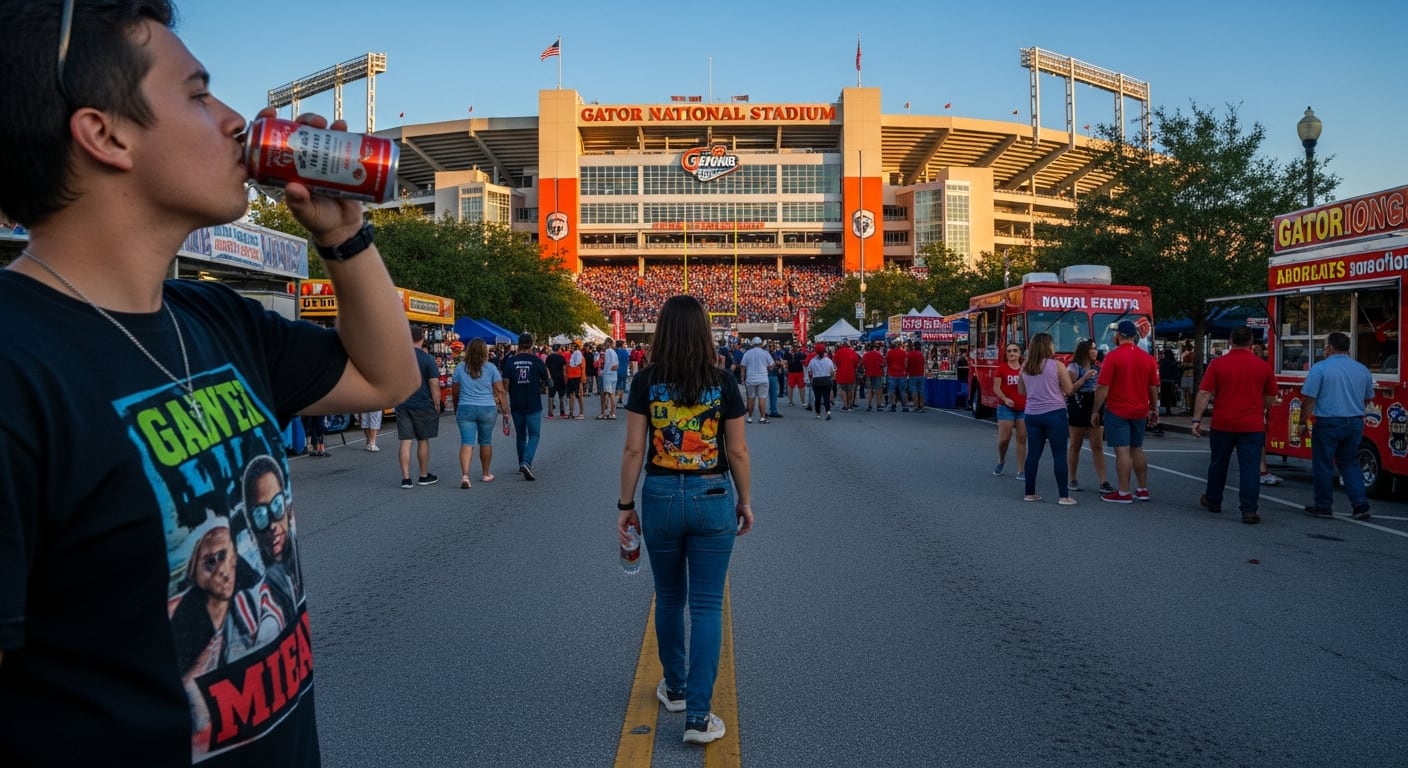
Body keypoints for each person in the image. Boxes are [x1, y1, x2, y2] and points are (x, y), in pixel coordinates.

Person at [0, 2, 420, 762]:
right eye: (198, 95)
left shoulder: (214, 315)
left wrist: (342, 233)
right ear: (106, 135)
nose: (237, 121)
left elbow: (387, 376)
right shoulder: (16, 364)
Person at [617, 295, 753, 746]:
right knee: (708, 606)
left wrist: (624, 506)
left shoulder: (646, 380)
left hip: (659, 495)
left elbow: (634, 449)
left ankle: (674, 688)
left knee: (669, 598)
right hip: (712, 493)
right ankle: (699, 715)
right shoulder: (723, 381)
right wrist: (745, 500)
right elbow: (737, 450)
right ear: (703, 331)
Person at [1190, 326, 1277, 524]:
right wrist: (1259, 407)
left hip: (1223, 422)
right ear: (1252, 344)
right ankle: (1249, 509)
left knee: (1218, 463)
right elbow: (1270, 397)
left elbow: (1205, 393)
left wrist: (1197, 419)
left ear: (1230, 341)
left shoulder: (1218, 364)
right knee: (1250, 468)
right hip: (1252, 424)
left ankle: (1214, 499)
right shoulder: (1263, 366)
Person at [1297, 331, 1374, 520]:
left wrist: (1302, 423)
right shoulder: (1362, 369)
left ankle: (1323, 506)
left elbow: (1309, 400)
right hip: (1355, 421)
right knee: (1348, 463)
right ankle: (1360, 505)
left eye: (1325, 346)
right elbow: (1368, 398)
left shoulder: (1320, 368)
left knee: (1323, 464)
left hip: (1328, 422)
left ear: (1329, 347)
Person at [1092, 320, 1160, 503]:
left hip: (1118, 409)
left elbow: (1102, 388)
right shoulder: (1148, 359)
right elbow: (1153, 387)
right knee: (1137, 448)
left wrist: (1095, 410)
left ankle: (1124, 492)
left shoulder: (1112, 357)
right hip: (1140, 409)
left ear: (1118, 335)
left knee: (1122, 451)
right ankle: (1142, 489)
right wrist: (1154, 408)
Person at [1017, 333, 1076, 504]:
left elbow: (1022, 391)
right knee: (1059, 454)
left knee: (1033, 454)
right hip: (1055, 412)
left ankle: (1030, 492)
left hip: (1032, 413)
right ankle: (1063, 495)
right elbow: (1069, 389)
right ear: (1049, 346)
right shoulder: (1057, 365)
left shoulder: (1025, 366)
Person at [452, 338, 508, 487]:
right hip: (487, 408)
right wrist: (505, 410)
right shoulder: (491, 368)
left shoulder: (460, 368)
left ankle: (465, 476)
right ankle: (485, 473)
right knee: (485, 442)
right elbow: (500, 391)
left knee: (467, 442)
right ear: (485, 351)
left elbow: (455, 392)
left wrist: (457, 408)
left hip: (466, 407)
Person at [396, 325, 443, 488]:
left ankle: (406, 478)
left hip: (403, 404)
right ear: (422, 338)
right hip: (422, 404)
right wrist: (437, 402)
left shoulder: (399, 358)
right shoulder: (427, 358)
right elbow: (434, 383)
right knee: (423, 440)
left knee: (405, 440)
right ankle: (423, 476)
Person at [501, 333, 550, 480]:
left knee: (521, 435)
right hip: (533, 402)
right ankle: (526, 462)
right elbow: (548, 379)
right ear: (531, 344)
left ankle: (521, 463)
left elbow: (505, 383)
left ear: (519, 344)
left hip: (516, 402)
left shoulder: (510, 361)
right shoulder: (536, 361)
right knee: (534, 435)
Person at [1066, 340, 1112, 494]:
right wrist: (1084, 378)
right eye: (1091, 348)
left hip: (1095, 405)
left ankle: (1103, 481)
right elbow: (1069, 390)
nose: (1094, 351)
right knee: (1075, 444)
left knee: (1097, 445)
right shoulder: (1073, 367)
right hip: (1078, 405)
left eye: (1095, 348)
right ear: (1083, 350)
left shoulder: (1098, 367)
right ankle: (1072, 478)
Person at [991, 343, 1028, 479]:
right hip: (1006, 408)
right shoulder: (1002, 369)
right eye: (1009, 351)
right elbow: (996, 388)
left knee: (1022, 438)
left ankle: (1021, 470)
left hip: (1023, 408)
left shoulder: (1026, 369)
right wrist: (1005, 399)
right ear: (1006, 354)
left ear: (1020, 353)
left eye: (1015, 351)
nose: (1012, 353)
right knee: (1004, 439)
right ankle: (1001, 460)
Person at [740, 336, 773, 423]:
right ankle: (762, 417)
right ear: (760, 344)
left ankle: (749, 418)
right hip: (763, 379)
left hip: (750, 379)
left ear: (752, 344)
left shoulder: (747, 353)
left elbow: (742, 366)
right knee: (762, 398)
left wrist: (742, 378)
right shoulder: (765, 353)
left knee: (751, 398)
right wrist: (768, 369)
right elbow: (771, 365)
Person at [807, 342, 837, 420]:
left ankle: (818, 414)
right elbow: (832, 371)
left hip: (816, 380)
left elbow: (810, 372)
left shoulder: (812, 361)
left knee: (818, 398)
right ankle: (828, 412)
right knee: (826, 397)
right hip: (827, 379)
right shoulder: (828, 360)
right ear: (824, 351)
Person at [833, 340, 860, 411]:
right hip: (851, 373)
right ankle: (850, 404)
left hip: (841, 374)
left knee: (843, 389)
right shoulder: (852, 352)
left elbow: (835, 362)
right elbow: (856, 363)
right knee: (850, 390)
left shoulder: (838, 352)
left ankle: (845, 405)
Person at [598, 337, 621, 419]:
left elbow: (607, 364)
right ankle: (612, 413)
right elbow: (616, 365)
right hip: (614, 374)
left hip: (608, 374)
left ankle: (607, 413)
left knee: (607, 394)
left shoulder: (607, 352)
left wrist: (603, 372)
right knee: (612, 394)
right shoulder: (614, 352)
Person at [544, 342, 567, 419]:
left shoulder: (549, 357)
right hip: (560, 378)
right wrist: (565, 377)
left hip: (552, 377)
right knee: (561, 395)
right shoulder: (561, 358)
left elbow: (546, 368)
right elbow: (564, 369)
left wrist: (549, 377)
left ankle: (550, 413)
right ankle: (562, 412)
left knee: (551, 396)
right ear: (558, 349)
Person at [885, 340, 909, 412]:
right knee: (903, 391)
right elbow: (906, 363)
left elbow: (887, 362)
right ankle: (905, 406)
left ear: (895, 345)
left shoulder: (890, 352)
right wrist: (905, 370)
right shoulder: (904, 353)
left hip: (892, 373)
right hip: (902, 373)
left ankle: (893, 405)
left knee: (892, 390)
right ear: (901, 346)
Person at [1158, 349, 1183, 416]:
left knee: (1164, 395)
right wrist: (1176, 382)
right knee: (1170, 396)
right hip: (1171, 381)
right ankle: (1168, 409)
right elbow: (1176, 373)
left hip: (1163, 381)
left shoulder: (1161, 362)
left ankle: (1164, 408)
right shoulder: (1173, 363)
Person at [862, 342, 885, 412]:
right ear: (875, 348)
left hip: (869, 374)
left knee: (870, 391)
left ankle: (869, 405)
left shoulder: (865, 355)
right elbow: (883, 364)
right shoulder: (879, 354)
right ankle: (878, 405)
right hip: (878, 374)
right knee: (878, 390)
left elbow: (863, 365)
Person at [566, 343, 587, 419]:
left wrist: (582, 380)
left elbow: (582, 368)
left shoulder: (578, 355)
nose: (570, 348)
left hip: (577, 376)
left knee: (578, 395)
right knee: (574, 395)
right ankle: (572, 412)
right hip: (573, 376)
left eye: (572, 347)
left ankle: (580, 413)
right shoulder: (576, 355)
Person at [907, 340, 928, 411]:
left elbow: (907, 364)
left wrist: (906, 373)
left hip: (912, 374)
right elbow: (924, 363)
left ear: (914, 346)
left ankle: (916, 406)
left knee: (914, 391)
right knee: (921, 390)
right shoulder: (921, 354)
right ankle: (921, 405)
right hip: (921, 374)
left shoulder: (910, 354)